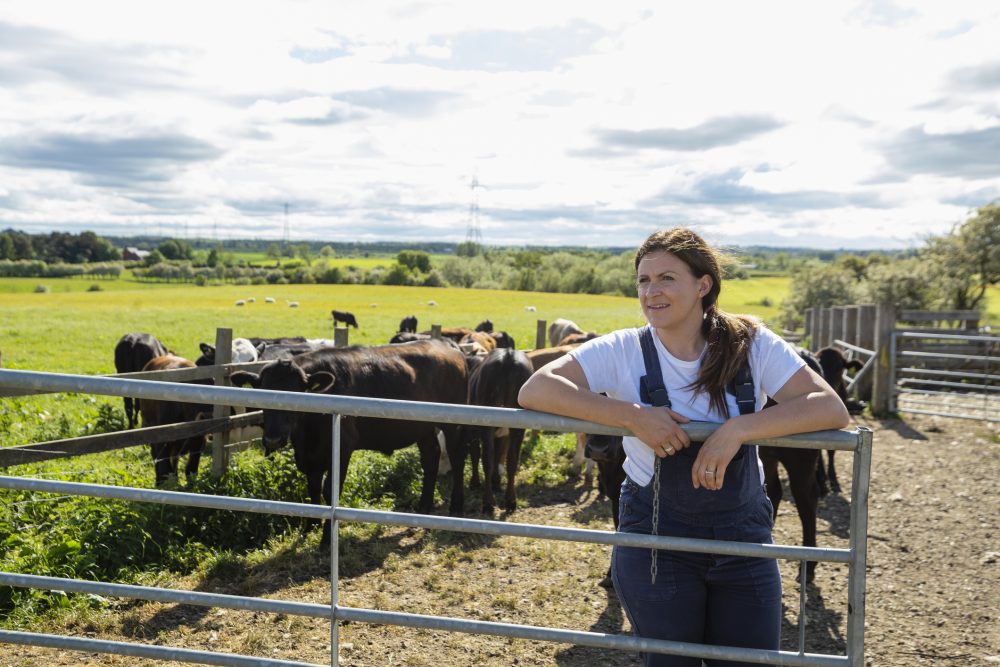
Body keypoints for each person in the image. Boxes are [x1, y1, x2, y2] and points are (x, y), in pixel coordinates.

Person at [518, 228, 849, 666]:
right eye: (643, 280)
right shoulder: (623, 349)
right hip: (655, 538)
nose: (651, 291)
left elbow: (830, 407)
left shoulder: (751, 344)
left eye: (667, 278)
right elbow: (536, 389)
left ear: (702, 285)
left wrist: (737, 430)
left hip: (743, 539)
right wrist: (633, 416)